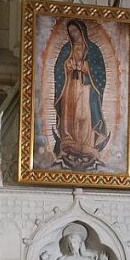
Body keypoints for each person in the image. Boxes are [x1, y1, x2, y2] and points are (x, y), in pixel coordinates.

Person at [53, 19, 109, 171]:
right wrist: (66, 65)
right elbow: (58, 67)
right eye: (71, 32)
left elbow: (100, 71)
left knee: (84, 115)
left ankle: (86, 144)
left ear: (82, 31)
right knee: (69, 114)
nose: (73, 34)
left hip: (86, 88)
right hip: (69, 86)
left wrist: (85, 66)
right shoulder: (66, 48)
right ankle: (69, 141)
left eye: (75, 31)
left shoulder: (93, 49)